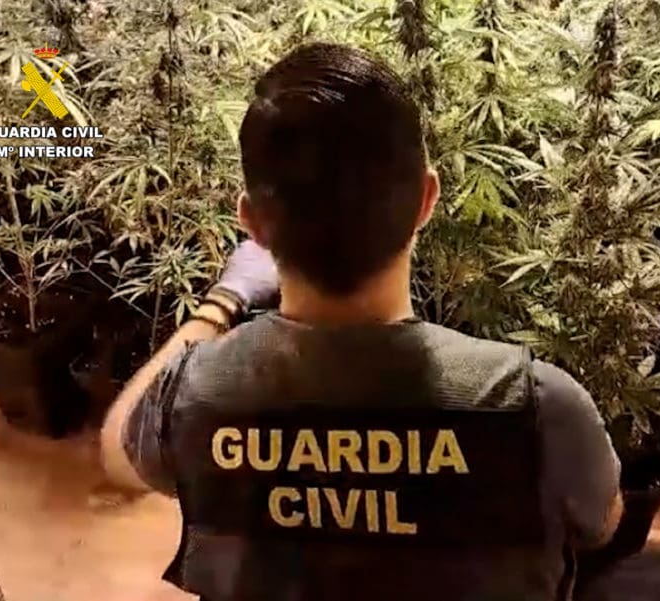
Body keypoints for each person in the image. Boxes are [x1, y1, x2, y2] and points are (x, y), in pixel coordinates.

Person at [99, 42, 626, 601]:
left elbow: (117, 448)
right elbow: (603, 523)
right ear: (427, 199)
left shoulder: (194, 396)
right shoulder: (535, 405)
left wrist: (222, 301)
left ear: (252, 222)